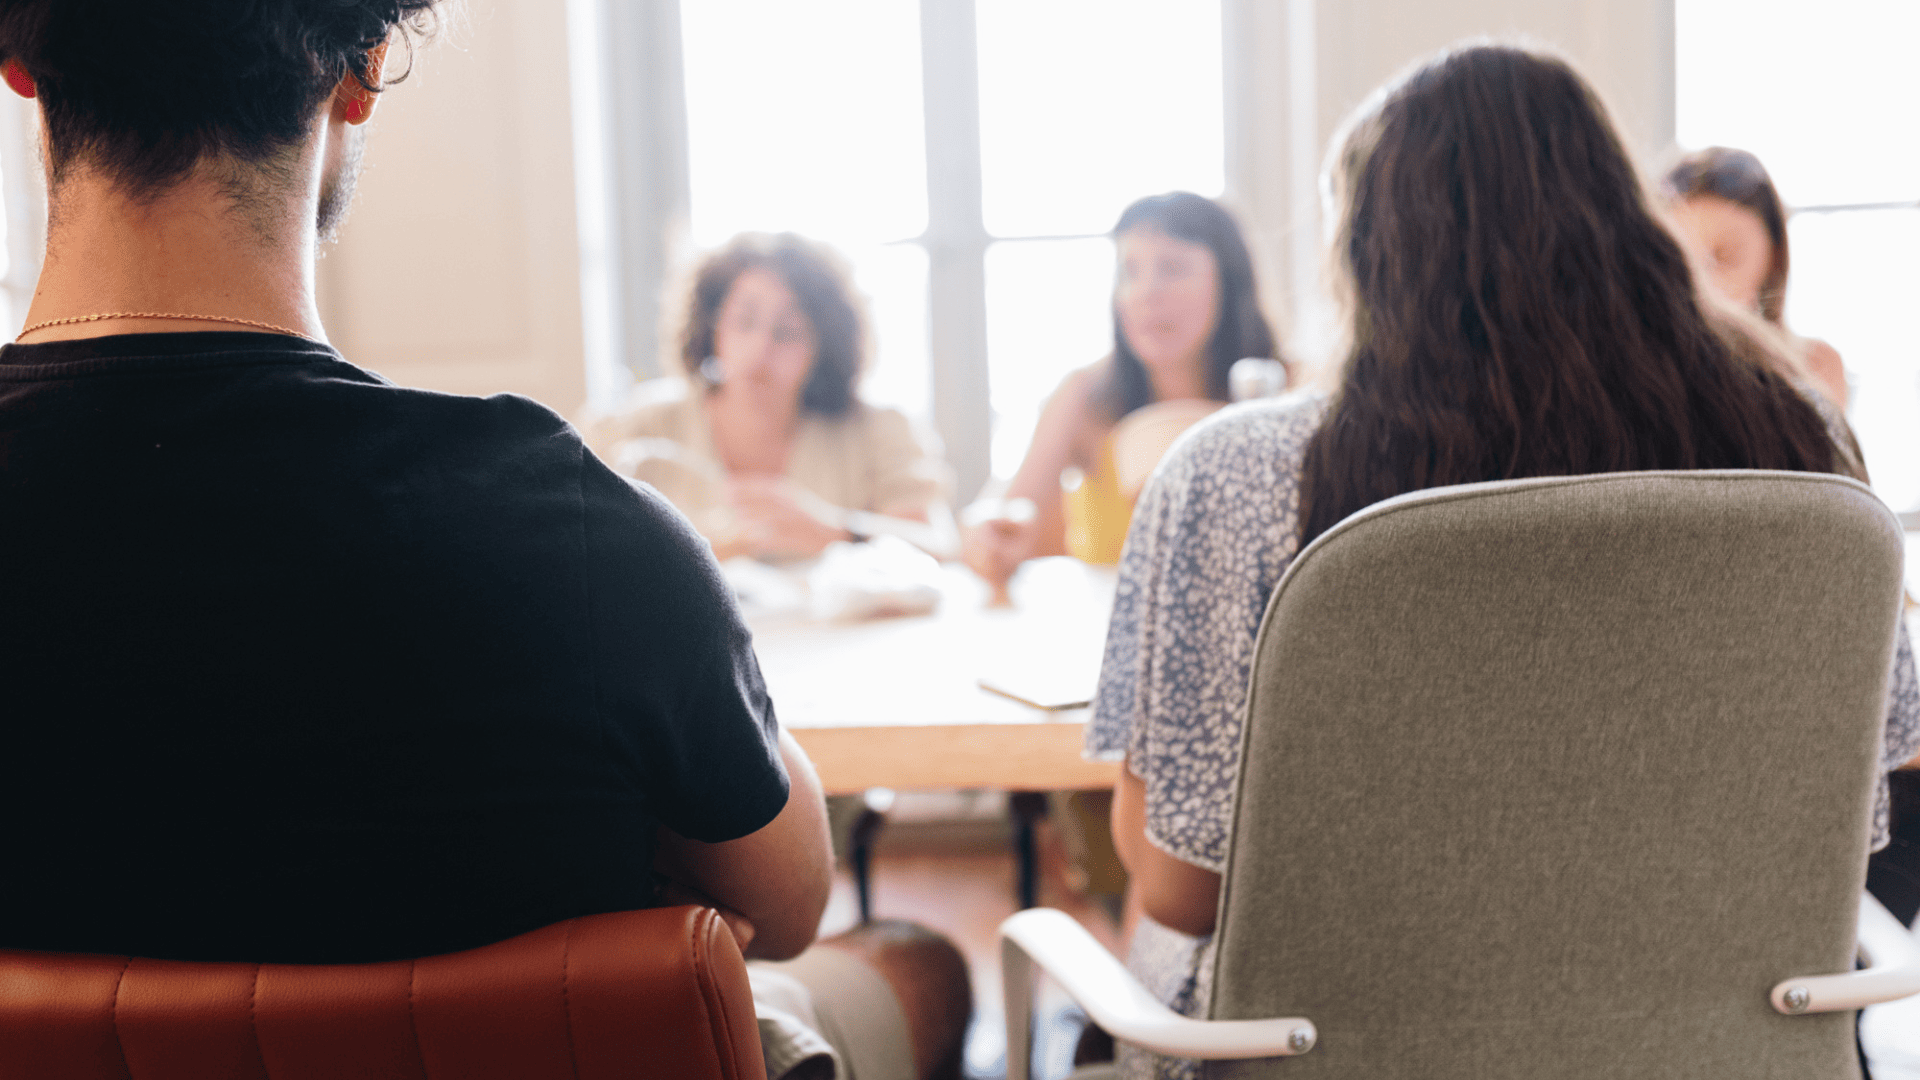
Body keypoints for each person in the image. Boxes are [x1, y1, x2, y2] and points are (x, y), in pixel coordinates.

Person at [0, 5, 965, 1079]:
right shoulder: (572, 527)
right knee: (921, 966)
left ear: (20, 66)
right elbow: (787, 902)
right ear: (361, 72)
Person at [1085, 44, 1920, 1080]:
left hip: (1323, 1055)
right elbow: (1849, 830)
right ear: (1627, 222)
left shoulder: (1239, 471)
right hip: (1706, 1054)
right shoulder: (1798, 446)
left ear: (1365, 248)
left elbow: (1180, 888)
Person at [961, 192, 1280, 591]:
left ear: (1229, 283)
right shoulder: (1085, 395)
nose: (1147, 292)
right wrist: (989, 538)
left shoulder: (1286, 391)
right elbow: (1006, 513)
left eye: (1173, 268)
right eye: (1130, 271)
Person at [583, 232, 955, 562]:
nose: (762, 348)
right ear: (711, 327)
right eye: (745, 322)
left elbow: (942, 546)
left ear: (822, 346)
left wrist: (837, 531)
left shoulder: (878, 430)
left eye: (789, 331)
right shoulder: (634, 428)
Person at [1664, 146, 1850, 408]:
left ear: (1774, 256)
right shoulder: (1655, 372)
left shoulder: (1816, 366)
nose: (1703, 283)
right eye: (1683, 258)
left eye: (1724, 256)